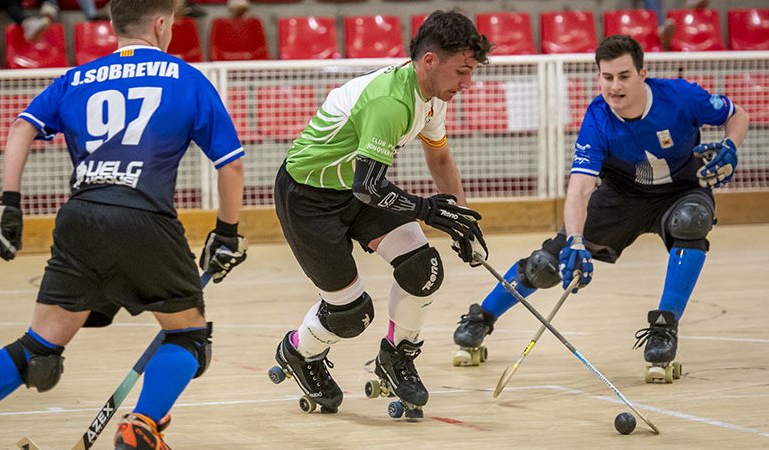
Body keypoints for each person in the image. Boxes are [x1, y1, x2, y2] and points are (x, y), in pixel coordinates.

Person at [0, 1, 247, 448]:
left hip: (79, 219)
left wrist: (9, 203)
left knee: (37, 350)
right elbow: (230, 167)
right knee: (188, 335)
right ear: (160, 24)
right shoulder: (186, 77)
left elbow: (22, 127)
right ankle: (141, 426)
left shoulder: (77, 77)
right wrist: (227, 232)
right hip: (144, 219)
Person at [452, 35, 749, 378]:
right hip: (621, 197)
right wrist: (575, 240)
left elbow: (736, 114)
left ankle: (664, 328)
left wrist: (731, 145)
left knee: (692, 220)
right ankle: (481, 318)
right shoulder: (597, 119)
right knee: (547, 264)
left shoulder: (681, 96)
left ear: (642, 74)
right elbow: (579, 190)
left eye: (624, 76)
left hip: (682, 191)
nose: (614, 86)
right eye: (606, 77)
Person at [269, 10, 491, 418]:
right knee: (352, 315)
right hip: (309, 198)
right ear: (430, 61)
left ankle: (397, 357)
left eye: (471, 72)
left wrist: (463, 221)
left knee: (424, 269)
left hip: (356, 190)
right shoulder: (389, 101)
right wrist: (427, 210)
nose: (467, 83)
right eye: (462, 71)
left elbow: (440, 161)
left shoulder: (431, 95)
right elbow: (369, 186)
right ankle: (298, 352)